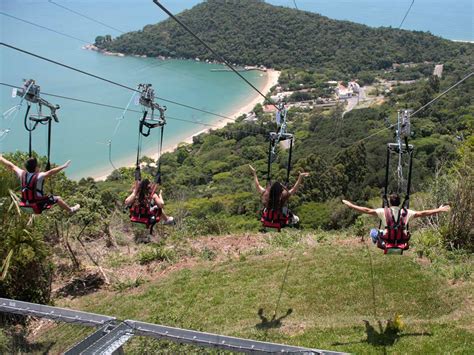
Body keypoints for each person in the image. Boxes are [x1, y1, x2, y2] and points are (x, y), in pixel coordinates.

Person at [342, 194, 450, 244]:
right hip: (401, 238)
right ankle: (385, 241)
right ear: (399, 203)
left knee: (373, 231)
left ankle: (377, 241)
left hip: (387, 238)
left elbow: (366, 210)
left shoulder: (383, 211)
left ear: (390, 203)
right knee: (399, 230)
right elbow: (424, 213)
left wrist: (351, 205)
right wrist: (439, 210)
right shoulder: (407, 213)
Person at [0, 155, 80, 213]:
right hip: (37, 205)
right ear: (36, 168)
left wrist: (1, 158)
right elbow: (51, 172)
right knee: (57, 198)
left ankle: (70, 210)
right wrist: (63, 166)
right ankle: (70, 210)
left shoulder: (21, 174)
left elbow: (11, 165)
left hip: (24, 204)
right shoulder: (39, 176)